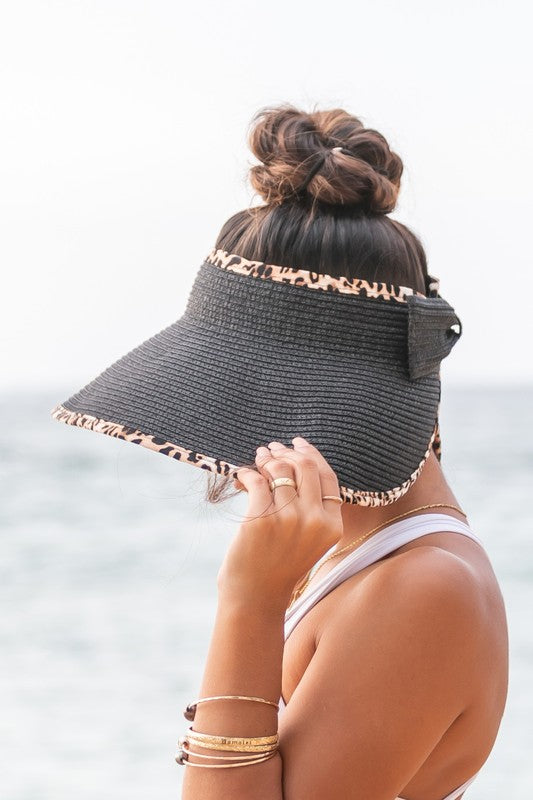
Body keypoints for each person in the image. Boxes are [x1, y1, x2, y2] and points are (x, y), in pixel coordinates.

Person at [50, 103, 509, 799]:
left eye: (236, 394)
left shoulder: (422, 590)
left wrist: (250, 603)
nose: (226, 439)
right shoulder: (356, 555)